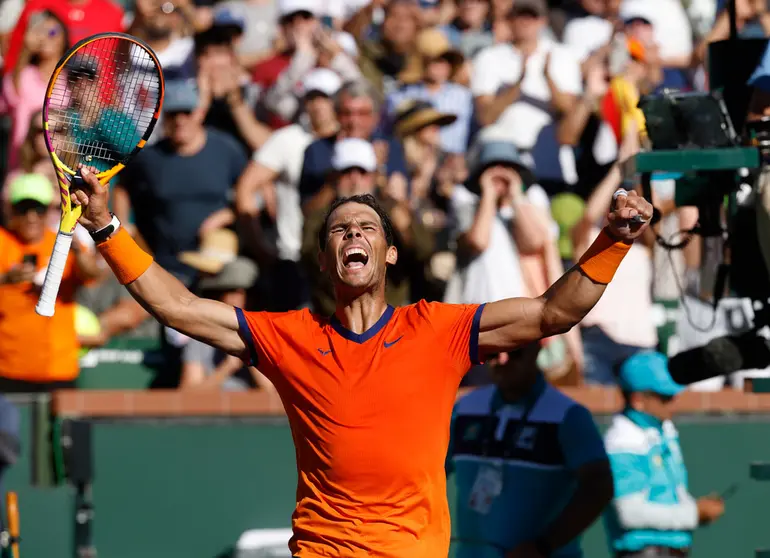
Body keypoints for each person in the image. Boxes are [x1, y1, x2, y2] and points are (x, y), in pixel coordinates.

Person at [71, 160, 652, 556]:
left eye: (367, 227)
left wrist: (615, 241)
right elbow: (179, 308)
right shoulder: (289, 336)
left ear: (389, 253)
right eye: (340, 229)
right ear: (326, 258)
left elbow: (553, 314)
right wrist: (104, 225)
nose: (354, 233)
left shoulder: (438, 328)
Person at [448, 342, 613, 557]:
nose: (502, 361)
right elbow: (428, 474)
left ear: (536, 350)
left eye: (515, 352)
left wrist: (544, 545)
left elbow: (598, 486)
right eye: (493, 353)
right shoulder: (465, 407)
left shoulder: (568, 415)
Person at [603, 352, 725, 558]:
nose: (674, 402)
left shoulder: (664, 431)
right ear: (638, 400)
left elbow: (675, 492)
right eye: (666, 397)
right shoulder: (621, 441)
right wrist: (695, 513)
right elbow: (630, 513)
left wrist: (696, 508)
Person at [0, 173, 99, 392]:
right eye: (24, 209)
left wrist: (77, 251)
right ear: (11, 210)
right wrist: (6, 279)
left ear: (49, 210)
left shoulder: (63, 242)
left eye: (39, 209)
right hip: (8, 368)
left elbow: (92, 276)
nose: (32, 217)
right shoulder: (2, 241)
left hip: (58, 368)